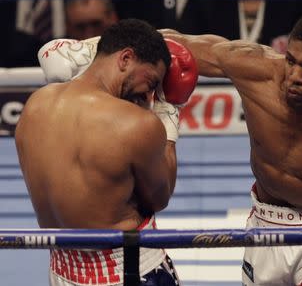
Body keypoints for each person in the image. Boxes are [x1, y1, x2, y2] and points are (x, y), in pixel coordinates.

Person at [38, 13, 302, 285]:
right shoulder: (258, 70)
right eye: (291, 61)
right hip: (263, 224)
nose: (293, 77)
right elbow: (182, 44)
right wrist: (89, 48)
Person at [16, 18, 198, 286]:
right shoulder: (136, 124)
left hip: (62, 270)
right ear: (125, 58)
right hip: (127, 269)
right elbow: (159, 198)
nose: (149, 92)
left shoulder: (35, 105)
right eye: (151, 81)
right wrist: (169, 113)